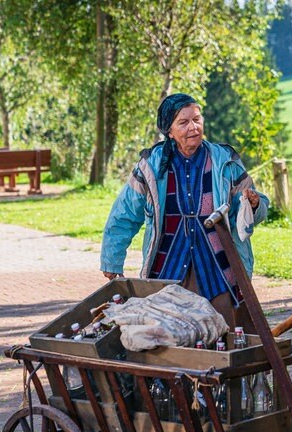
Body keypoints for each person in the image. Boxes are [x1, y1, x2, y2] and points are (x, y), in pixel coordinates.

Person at [100, 93, 269, 331]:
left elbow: (256, 212)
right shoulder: (151, 165)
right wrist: (112, 259)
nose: (194, 127)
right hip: (167, 269)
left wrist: (253, 205)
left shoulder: (225, 161)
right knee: (166, 336)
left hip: (218, 272)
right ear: (169, 131)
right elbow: (125, 215)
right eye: (184, 122)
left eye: (197, 120)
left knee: (225, 334)